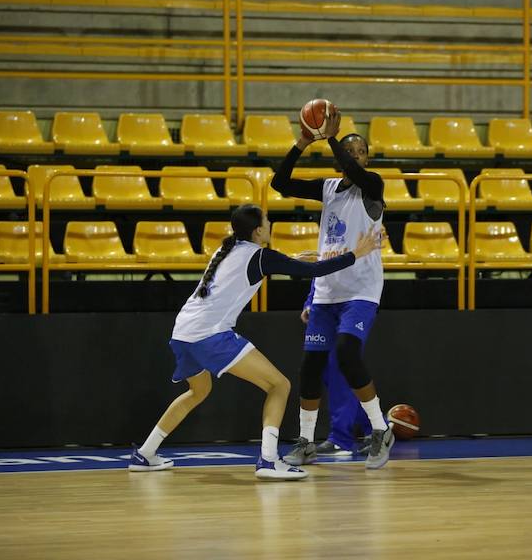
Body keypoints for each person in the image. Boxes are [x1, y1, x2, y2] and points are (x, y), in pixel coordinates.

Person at [129, 204, 379, 480]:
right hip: (210, 335)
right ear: (258, 229)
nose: (270, 224)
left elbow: (259, 267)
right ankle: (269, 460)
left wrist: (293, 259)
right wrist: (357, 254)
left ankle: (146, 453)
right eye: (267, 220)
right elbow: (316, 271)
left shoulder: (226, 250)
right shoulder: (260, 256)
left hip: (183, 332)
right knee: (279, 385)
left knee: (197, 392)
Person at [271, 108, 395, 470]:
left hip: (361, 290)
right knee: (310, 368)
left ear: (367, 159)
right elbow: (280, 184)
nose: (353, 156)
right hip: (327, 290)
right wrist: (302, 143)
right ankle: (306, 441)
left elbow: (354, 172)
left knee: (347, 353)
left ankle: (379, 429)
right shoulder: (329, 188)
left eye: (359, 152)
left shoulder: (373, 187)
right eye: (350, 151)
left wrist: (332, 139)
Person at [300, 283, 373, 457]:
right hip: (324, 303)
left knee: (339, 368)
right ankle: (376, 428)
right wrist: (310, 302)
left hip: (353, 300)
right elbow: (324, 268)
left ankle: (341, 439)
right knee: (321, 369)